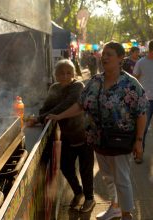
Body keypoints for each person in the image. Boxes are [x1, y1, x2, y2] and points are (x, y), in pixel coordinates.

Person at [46, 42, 148, 220]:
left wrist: (139, 141)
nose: (105, 57)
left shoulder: (130, 84)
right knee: (108, 178)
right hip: (98, 140)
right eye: (104, 54)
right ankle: (115, 208)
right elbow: (81, 105)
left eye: (109, 54)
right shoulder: (95, 82)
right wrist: (59, 116)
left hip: (121, 141)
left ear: (120, 58)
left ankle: (126, 214)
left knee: (122, 179)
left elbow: (141, 113)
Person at [26, 59, 95, 212]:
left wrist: (39, 118)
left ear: (73, 74)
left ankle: (89, 199)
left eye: (68, 72)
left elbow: (66, 105)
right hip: (67, 136)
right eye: (61, 73)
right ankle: (78, 192)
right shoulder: (54, 88)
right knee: (66, 167)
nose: (65, 76)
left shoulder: (78, 86)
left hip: (84, 135)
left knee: (86, 170)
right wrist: (39, 117)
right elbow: (47, 107)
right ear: (55, 75)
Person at [133, 39, 153, 162]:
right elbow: (134, 80)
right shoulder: (141, 62)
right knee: (143, 129)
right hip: (145, 101)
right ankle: (139, 153)